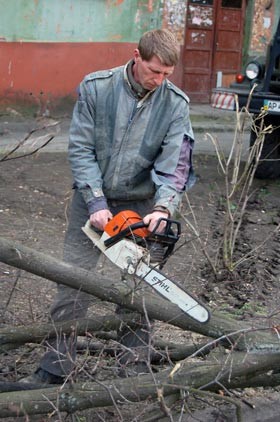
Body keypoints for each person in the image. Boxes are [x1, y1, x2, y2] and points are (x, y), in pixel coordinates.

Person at [20, 28, 195, 385]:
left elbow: (175, 164)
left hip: (142, 204)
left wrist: (163, 208)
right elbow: (81, 148)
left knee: (138, 289)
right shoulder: (97, 88)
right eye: (153, 71)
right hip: (92, 202)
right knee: (73, 281)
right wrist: (96, 201)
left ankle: (134, 370)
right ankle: (55, 369)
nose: (159, 80)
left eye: (166, 74)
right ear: (136, 56)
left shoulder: (175, 104)